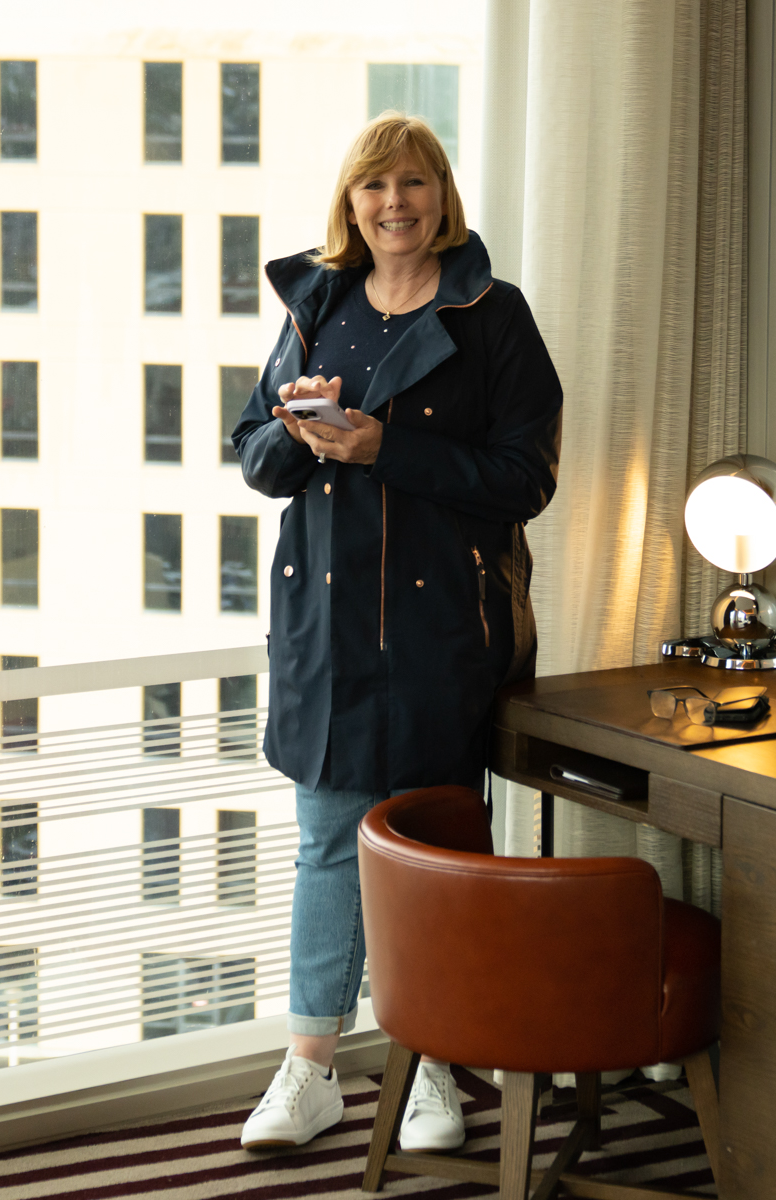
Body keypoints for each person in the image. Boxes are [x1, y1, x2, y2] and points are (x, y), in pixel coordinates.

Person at [231, 113, 562, 1152]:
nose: (393, 205)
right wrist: (297, 433)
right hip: (326, 620)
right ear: (351, 203)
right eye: (374, 188)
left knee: (433, 842)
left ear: (441, 197)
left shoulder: (493, 315)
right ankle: (311, 1070)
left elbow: (526, 478)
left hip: (438, 627)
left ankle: (434, 1068)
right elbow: (248, 450)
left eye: (413, 184)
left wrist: (386, 448)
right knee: (328, 844)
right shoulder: (317, 303)